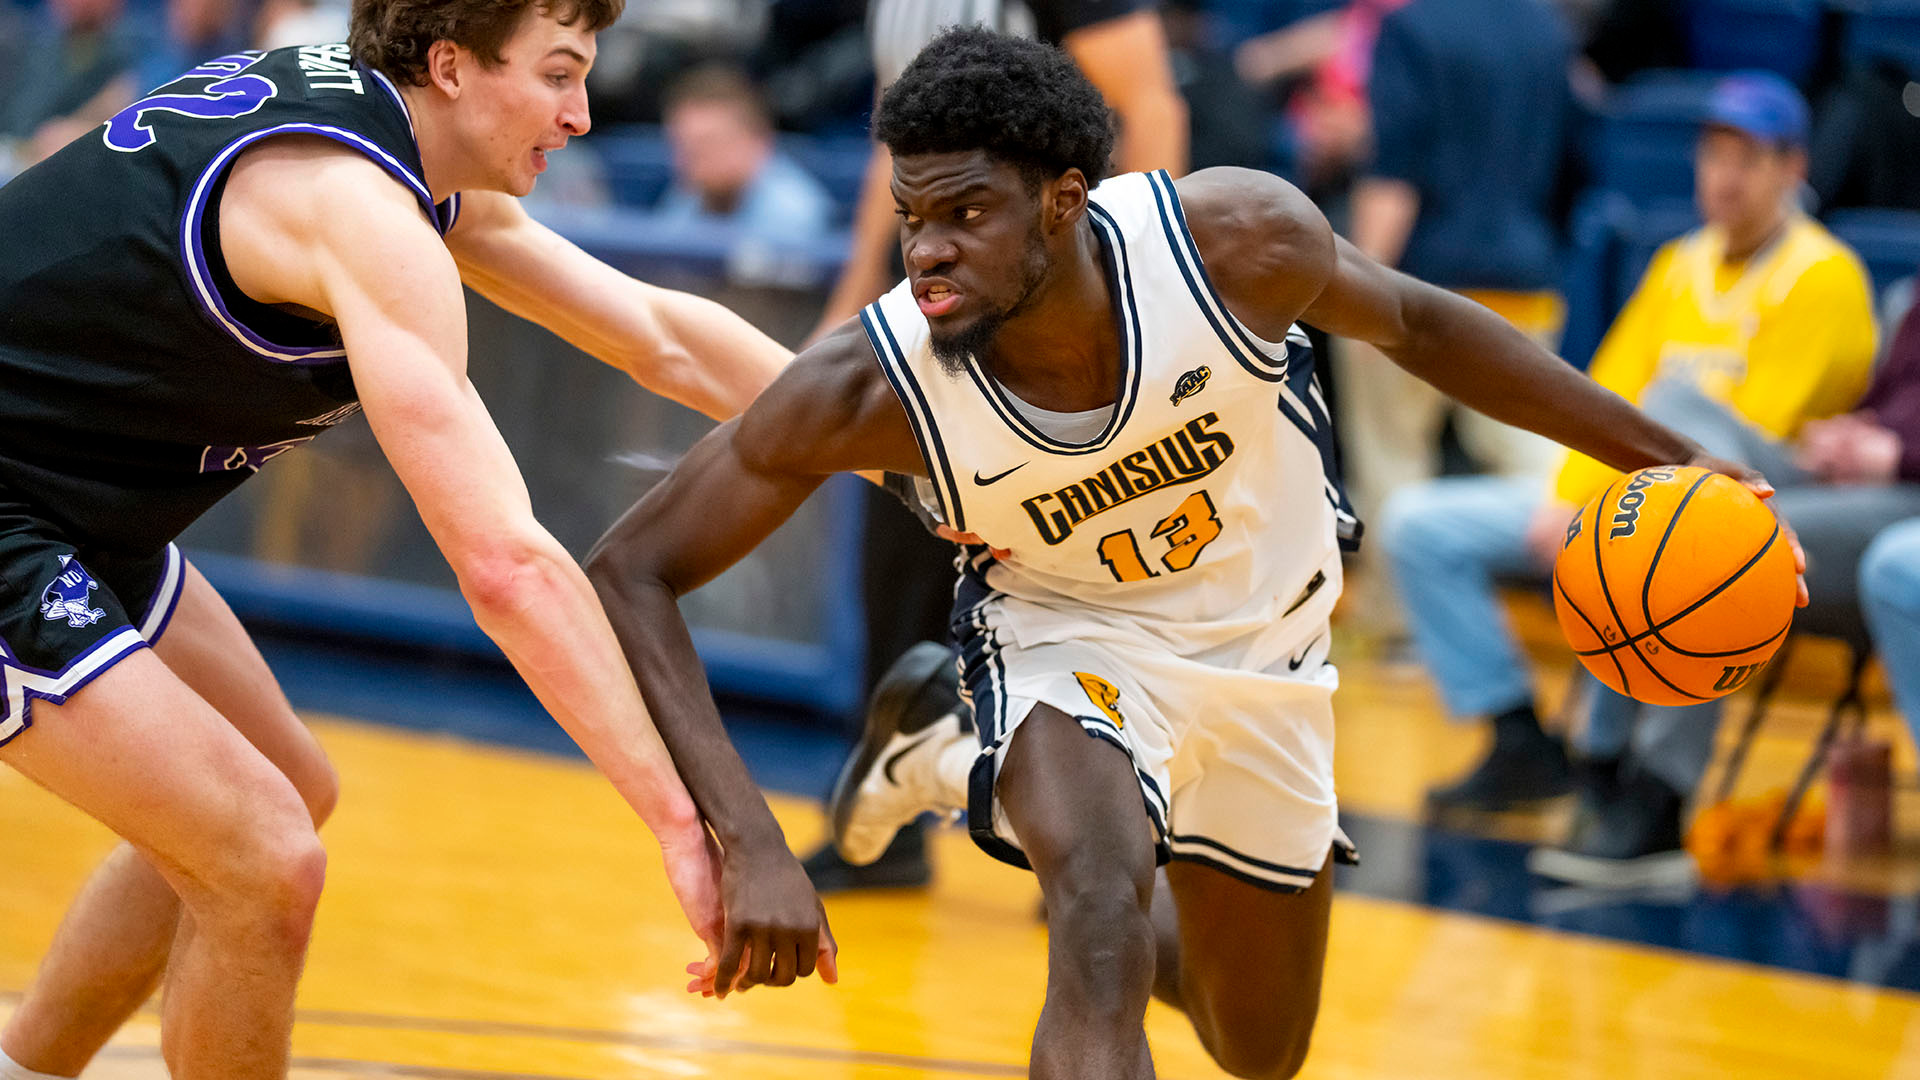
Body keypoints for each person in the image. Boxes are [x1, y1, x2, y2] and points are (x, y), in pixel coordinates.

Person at [582, 28, 1794, 1077]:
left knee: (1255, 1043)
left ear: (1065, 198)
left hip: (1268, 642)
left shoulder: (1232, 246)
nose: (927, 251)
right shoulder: (868, 384)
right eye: (912, 216)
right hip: (1068, 640)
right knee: (1099, 916)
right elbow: (633, 568)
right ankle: (993, 750)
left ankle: (948, 758)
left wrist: (1663, 456)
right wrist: (744, 842)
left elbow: (1423, 325)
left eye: (966, 214)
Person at [0, 0, 837, 1074]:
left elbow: (662, 337)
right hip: (20, 509)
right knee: (263, 861)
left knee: (281, 798)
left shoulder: (398, 148)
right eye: (559, 74)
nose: (583, 114)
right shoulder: (356, 212)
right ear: (451, 64)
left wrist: (912, 459)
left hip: (76, 506)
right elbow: (506, 566)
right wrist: (686, 829)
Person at [1380, 71, 1873, 819]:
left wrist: (1608, 502)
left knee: (1679, 434)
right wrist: (1572, 499)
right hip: (1632, 498)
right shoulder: (1679, 262)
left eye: (1747, 159)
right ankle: (1522, 741)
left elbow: (1757, 434)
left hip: (1755, 513)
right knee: (1418, 524)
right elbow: (1606, 392)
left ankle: (1634, 776)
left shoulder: (1826, 275)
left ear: (1792, 169)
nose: (1724, 177)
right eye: (1712, 156)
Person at [799, 0, 1191, 894]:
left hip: (1054, 302)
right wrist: (855, 292)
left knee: (1078, 580)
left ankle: (1105, 845)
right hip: (940, 296)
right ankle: (891, 818)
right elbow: (896, 150)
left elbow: (1153, 108)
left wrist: (1145, 297)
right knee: (896, 546)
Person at [1530, 284, 1920, 883]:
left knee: (1710, 546)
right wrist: (1852, 433)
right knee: (1673, 404)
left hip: (1903, 492)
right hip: (1853, 477)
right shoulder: (1908, 296)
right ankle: (1603, 759)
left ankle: (1658, 792)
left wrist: (1895, 453)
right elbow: (1897, 401)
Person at [655, 64, 836, 247]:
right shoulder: (686, 197)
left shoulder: (795, 211)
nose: (692, 158)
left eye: (708, 143)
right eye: (682, 145)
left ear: (758, 141)